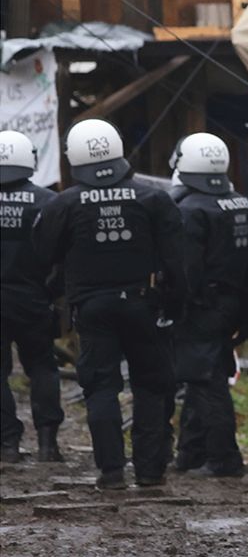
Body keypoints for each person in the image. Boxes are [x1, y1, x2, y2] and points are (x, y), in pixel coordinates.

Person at [33, 118, 185, 489]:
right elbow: (176, 261)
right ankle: (150, 472)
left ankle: (112, 471)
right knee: (151, 386)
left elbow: (43, 255)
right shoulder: (153, 198)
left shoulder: (64, 203)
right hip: (143, 304)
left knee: (101, 387)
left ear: (74, 156)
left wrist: (56, 293)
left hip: (92, 309)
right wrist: (174, 307)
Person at [166, 133, 248, 478]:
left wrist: (175, 306)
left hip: (202, 306)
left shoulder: (190, 209)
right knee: (202, 375)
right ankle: (191, 452)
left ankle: (224, 458)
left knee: (207, 382)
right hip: (233, 302)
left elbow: (187, 269)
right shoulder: (243, 204)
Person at [0, 130, 62, 462]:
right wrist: (52, 292)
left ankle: (7, 445)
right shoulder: (49, 202)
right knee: (42, 367)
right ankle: (48, 445)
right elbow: (62, 256)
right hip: (34, 299)